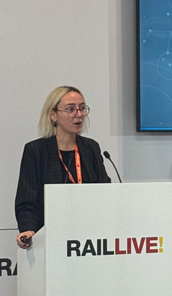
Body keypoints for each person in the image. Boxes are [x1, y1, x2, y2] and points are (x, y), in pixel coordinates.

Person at [15, 85, 110, 248]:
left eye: (82, 108)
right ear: (53, 115)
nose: (79, 114)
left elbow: (105, 192)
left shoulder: (91, 148)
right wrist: (28, 229)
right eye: (71, 109)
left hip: (89, 239)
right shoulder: (36, 151)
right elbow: (27, 201)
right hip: (51, 238)